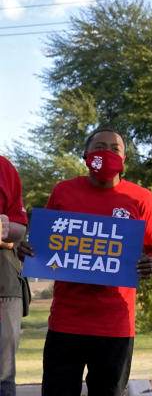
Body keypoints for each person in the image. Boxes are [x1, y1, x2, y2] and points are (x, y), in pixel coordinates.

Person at [40, 128, 152, 396]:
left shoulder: (141, 198)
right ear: (86, 155)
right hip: (66, 320)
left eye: (114, 149)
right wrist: (29, 250)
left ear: (124, 159)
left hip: (116, 324)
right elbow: (44, 246)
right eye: (99, 147)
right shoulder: (63, 191)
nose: (106, 153)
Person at [0, 155, 27, 396]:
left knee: (3, 374)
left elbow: (19, 226)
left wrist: (7, 227)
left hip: (4, 285)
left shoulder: (3, 167)